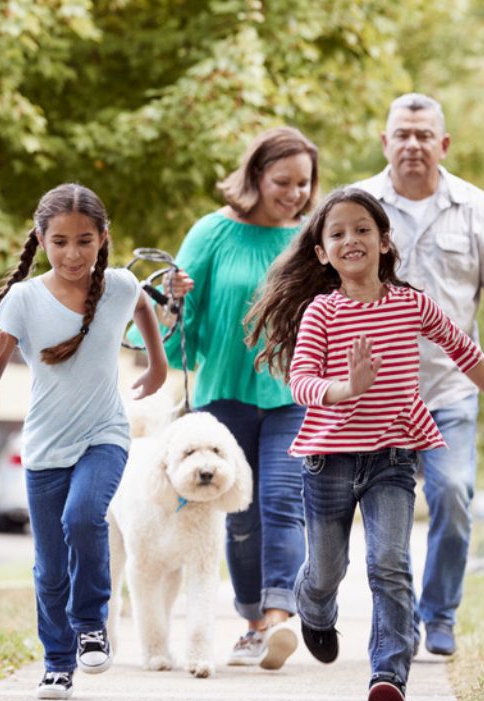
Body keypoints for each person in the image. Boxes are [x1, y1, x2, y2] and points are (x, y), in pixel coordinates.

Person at [245, 187, 484, 701]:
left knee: (390, 564)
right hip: (329, 459)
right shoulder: (320, 313)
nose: (350, 239)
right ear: (322, 253)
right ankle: (314, 609)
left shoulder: (410, 304)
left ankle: (388, 676)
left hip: (393, 458)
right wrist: (345, 389)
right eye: (337, 233)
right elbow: (302, 381)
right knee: (327, 570)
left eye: (362, 229)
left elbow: (462, 347)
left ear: (383, 240)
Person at [0, 183, 169, 700]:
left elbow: (143, 309)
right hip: (44, 447)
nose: (73, 253)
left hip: (104, 435)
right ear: (41, 239)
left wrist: (157, 364)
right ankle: (58, 662)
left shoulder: (119, 285)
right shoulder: (23, 300)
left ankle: (92, 624)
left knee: (82, 517)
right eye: (61, 241)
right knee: (48, 566)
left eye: (85, 240)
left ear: (103, 238)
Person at [355, 92, 484, 658]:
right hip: (379, 394)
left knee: (453, 494)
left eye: (423, 135)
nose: (412, 144)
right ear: (385, 142)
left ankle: (441, 613)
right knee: (385, 517)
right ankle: (397, 624)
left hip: (453, 387)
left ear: (443, 144)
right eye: (401, 134)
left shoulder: (476, 206)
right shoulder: (359, 208)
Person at [154, 127, 320, 670]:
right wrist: (173, 302)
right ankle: (251, 621)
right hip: (223, 393)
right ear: (255, 176)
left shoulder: (309, 241)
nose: (295, 193)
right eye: (283, 181)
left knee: (281, 501)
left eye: (303, 183)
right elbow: (180, 324)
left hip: (291, 393)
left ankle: (278, 618)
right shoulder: (211, 233)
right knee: (241, 514)